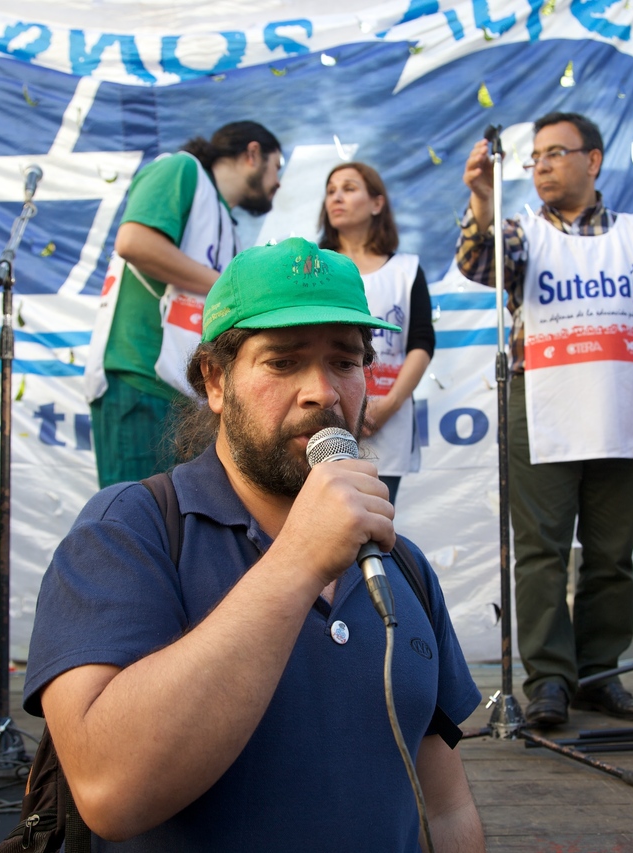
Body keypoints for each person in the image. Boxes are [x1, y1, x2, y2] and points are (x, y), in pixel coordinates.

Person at [26, 238, 485, 850]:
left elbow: (448, 810)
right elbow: (108, 791)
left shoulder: (401, 564)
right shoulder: (130, 531)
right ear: (215, 382)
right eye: (283, 362)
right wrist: (298, 560)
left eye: (345, 361)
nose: (323, 391)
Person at [457, 112, 633, 727]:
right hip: (541, 404)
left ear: (593, 159)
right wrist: (481, 198)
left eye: (555, 153)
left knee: (612, 554)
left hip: (623, 408)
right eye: (534, 158)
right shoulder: (522, 233)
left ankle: (597, 675)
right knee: (542, 551)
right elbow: (477, 264)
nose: (542, 167)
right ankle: (550, 683)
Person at [85, 121, 283, 489]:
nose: (278, 182)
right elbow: (134, 242)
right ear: (253, 154)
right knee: (134, 517)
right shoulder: (181, 169)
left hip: (189, 397)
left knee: (183, 521)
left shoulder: (229, 228)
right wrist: (230, 288)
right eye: (277, 166)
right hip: (142, 375)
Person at [318, 162, 434, 504]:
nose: (336, 197)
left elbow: (421, 342)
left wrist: (390, 405)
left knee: (373, 520)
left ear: (377, 203)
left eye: (349, 188)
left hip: (386, 417)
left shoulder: (406, 270)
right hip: (325, 414)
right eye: (331, 191)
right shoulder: (313, 268)